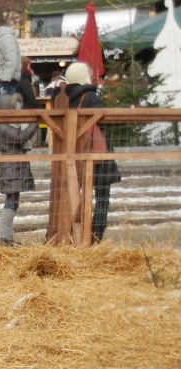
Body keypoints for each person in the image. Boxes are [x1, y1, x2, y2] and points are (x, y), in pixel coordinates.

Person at [63, 62, 121, 242]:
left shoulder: (69, 98)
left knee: (81, 198)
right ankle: (96, 236)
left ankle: (78, 234)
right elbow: (104, 122)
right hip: (99, 156)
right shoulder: (90, 97)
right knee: (102, 197)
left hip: (79, 154)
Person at [0, 92, 37, 246]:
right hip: (11, 165)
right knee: (11, 201)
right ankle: (3, 237)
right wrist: (35, 124)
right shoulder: (2, 126)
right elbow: (20, 137)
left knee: (13, 201)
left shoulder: (6, 124)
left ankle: (7, 236)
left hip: (15, 164)